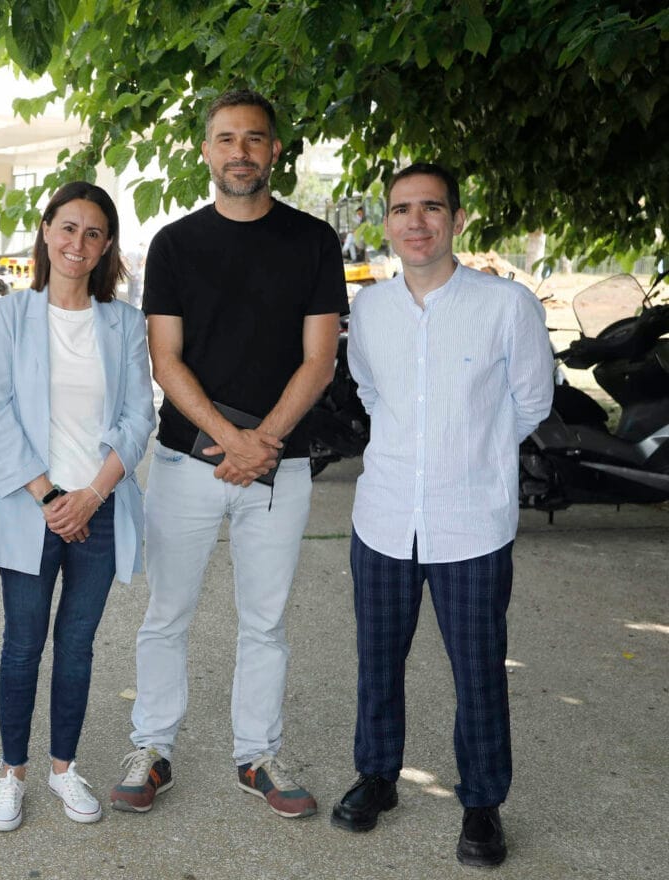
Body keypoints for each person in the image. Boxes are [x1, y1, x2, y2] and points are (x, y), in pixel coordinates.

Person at [111, 88, 345, 818]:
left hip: (281, 467)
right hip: (186, 463)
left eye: (254, 138)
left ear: (275, 151)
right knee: (166, 613)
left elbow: (320, 360)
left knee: (266, 620)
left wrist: (262, 442)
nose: (240, 151)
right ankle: (151, 748)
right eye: (226, 138)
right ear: (206, 151)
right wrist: (231, 439)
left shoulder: (313, 241)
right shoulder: (176, 245)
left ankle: (259, 755)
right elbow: (166, 360)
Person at [331, 163, 553, 868]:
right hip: (386, 517)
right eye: (402, 209)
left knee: (479, 669)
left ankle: (482, 806)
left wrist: (472, 452)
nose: (416, 222)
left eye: (431, 208)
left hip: (471, 523)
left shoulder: (505, 306)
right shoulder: (370, 310)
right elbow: (369, 391)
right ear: (387, 222)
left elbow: (532, 402)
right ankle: (376, 776)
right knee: (377, 660)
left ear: (457, 218)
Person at [0, 182, 155, 832]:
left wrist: (92, 494)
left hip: (100, 508)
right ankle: (11, 776)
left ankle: (62, 769)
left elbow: (140, 415)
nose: (77, 243)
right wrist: (52, 497)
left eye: (93, 233)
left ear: (106, 246)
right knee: (22, 645)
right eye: (67, 227)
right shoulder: (12, 316)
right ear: (46, 231)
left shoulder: (124, 322)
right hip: (33, 508)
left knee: (76, 646)